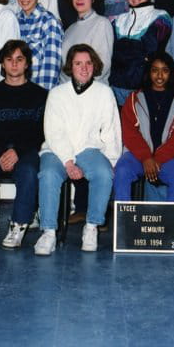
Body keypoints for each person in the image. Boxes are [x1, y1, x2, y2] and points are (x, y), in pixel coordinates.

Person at [34, 44, 121, 255]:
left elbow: (111, 130)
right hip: (56, 150)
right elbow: (53, 132)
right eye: (78, 63)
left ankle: (91, 227)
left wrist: (112, 160)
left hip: (88, 149)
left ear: (95, 66)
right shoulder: (57, 94)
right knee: (48, 174)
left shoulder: (104, 93)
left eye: (88, 63)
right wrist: (68, 162)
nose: (84, 68)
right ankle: (48, 232)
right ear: (70, 67)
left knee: (104, 173)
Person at [0, 40, 48, 249]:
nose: (14, 64)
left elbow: (40, 132)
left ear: (27, 64)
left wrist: (17, 151)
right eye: (9, 59)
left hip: (26, 150)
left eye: (19, 59)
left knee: (29, 172)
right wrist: (1, 152)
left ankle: (19, 224)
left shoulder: (41, 95)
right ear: (2, 64)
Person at [114, 52, 174, 202]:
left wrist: (158, 159)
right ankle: (124, 216)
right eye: (155, 70)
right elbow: (130, 133)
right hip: (137, 155)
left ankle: (171, 217)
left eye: (165, 70)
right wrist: (146, 157)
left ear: (171, 73)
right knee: (121, 171)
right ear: (148, 73)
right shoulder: (134, 99)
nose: (160, 75)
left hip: (167, 157)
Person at [109, 0, 172, 105]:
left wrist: (123, 51)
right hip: (115, 88)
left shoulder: (160, 17)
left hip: (143, 90)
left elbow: (151, 52)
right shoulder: (119, 20)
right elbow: (111, 53)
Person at [10, 0, 64, 91]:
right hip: (16, 90)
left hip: (38, 91)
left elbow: (51, 66)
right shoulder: (15, 21)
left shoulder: (49, 22)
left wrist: (41, 96)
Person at [60, 0, 114, 84]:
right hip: (67, 89)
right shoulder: (69, 30)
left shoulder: (101, 23)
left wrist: (80, 89)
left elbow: (103, 67)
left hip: (91, 90)